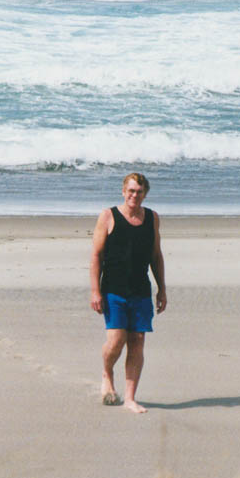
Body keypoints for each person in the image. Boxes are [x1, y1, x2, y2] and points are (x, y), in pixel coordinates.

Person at [90, 173, 166, 413]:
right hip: (113, 289)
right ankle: (107, 372)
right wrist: (95, 291)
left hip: (141, 290)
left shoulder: (152, 218)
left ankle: (130, 398)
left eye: (139, 191)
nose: (135, 195)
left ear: (145, 194)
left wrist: (162, 289)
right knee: (116, 340)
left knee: (138, 341)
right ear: (123, 191)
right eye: (131, 190)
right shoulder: (108, 216)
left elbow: (156, 255)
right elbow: (96, 256)